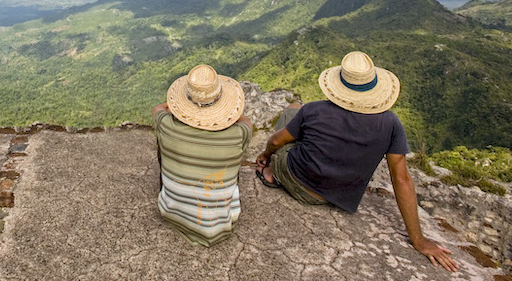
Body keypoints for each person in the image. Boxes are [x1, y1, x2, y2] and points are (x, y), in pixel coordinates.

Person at [254, 51, 459, 271]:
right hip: (340, 196)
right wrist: (419, 240)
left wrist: (266, 156)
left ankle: (273, 174)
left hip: (300, 182)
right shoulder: (391, 123)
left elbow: (276, 141)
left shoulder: (314, 110)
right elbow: (401, 179)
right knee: (296, 116)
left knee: (291, 113)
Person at [152, 64, 253, 246]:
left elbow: (158, 109)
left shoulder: (165, 125)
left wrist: (179, 107)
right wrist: (228, 115)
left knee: (161, 143)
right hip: (219, 226)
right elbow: (245, 121)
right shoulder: (240, 133)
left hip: (170, 214)